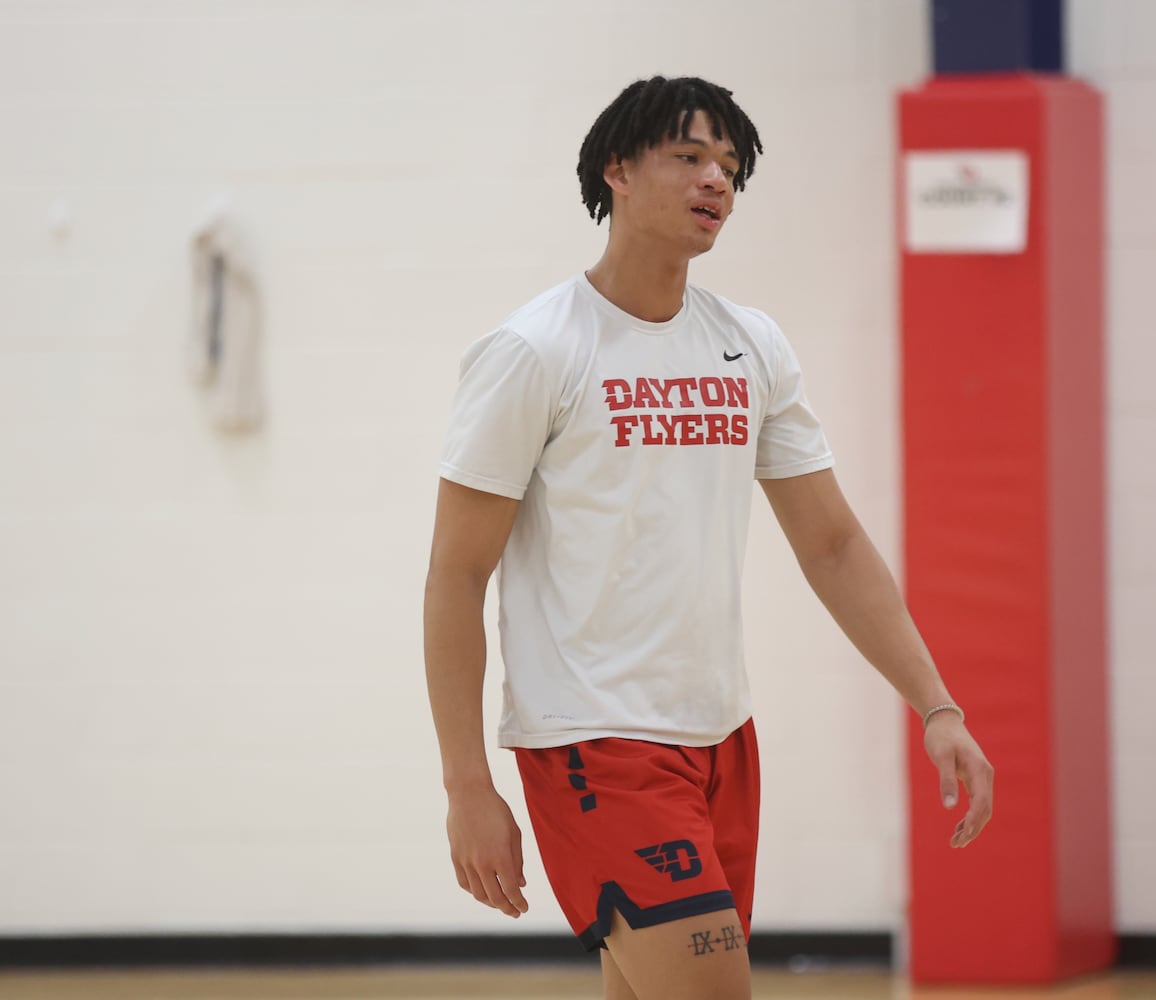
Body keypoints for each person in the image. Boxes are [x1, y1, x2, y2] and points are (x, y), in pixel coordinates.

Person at [424, 75, 994, 1000]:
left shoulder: (750, 344)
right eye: (688, 157)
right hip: (594, 742)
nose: (715, 181)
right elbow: (454, 576)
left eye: (729, 166)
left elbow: (834, 545)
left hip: (721, 738)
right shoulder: (534, 351)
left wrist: (937, 706)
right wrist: (465, 787)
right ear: (616, 168)